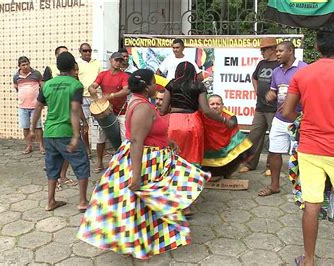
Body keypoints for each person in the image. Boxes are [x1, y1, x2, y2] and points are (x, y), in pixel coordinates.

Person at [77, 69, 209, 259]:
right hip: (146, 161)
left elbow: (151, 130)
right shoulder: (142, 107)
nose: (157, 85)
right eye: (154, 82)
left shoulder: (145, 103)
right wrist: (136, 175)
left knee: (146, 204)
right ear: (147, 86)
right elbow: (137, 141)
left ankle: (147, 240)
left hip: (154, 158)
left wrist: (167, 141)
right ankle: (138, 244)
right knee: (145, 203)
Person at [282, 26, 334, 266]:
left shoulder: (302, 74)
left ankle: (308, 260)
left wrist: (307, 114)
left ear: (317, 47)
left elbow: (288, 112)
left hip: (309, 148)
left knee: (312, 204)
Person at [30, 52, 90, 212]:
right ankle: (83, 201)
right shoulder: (76, 85)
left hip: (50, 132)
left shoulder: (47, 85)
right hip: (67, 132)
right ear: (74, 67)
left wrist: (32, 129)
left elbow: (37, 107)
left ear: (58, 67)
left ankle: (50, 201)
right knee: (81, 163)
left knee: (52, 166)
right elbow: (75, 109)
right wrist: (76, 136)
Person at [160, 61, 233, 166]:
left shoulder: (171, 84)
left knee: (172, 156)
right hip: (193, 123)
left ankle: (173, 179)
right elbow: (206, 111)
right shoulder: (199, 86)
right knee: (192, 156)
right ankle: (191, 179)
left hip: (174, 123)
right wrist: (225, 120)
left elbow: (163, 110)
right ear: (194, 72)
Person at [258, 41, 307, 197]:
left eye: (280, 51)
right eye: (276, 51)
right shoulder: (276, 71)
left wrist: (292, 102)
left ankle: (303, 188)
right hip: (279, 119)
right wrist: (271, 95)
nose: (277, 54)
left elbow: (310, 95)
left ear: (290, 51)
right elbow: (274, 90)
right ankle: (274, 185)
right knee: (274, 152)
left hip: (298, 119)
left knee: (302, 156)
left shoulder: (304, 69)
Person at [239, 37, 280, 176]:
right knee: (254, 136)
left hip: (274, 108)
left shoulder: (280, 65)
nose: (261, 52)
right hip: (260, 107)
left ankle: (271, 166)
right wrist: (257, 90)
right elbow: (254, 77)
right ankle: (250, 164)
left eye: (264, 49)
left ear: (273, 49)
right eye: (261, 49)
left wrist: (275, 93)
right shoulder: (261, 63)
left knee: (274, 137)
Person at [43, 45, 79, 188]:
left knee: (58, 158)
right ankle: (82, 200)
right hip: (61, 123)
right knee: (78, 161)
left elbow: (76, 108)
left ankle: (61, 179)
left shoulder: (74, 80)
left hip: (57, 126)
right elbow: (43, 97)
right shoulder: (50, 71)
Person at [88, 52, 129, 173]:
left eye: (120, 61)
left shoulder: (124, 76)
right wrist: (92, 91)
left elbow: (126, 90)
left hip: (121, 111)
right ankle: (99, 162)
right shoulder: (103, 74)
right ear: (110, 60)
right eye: (116, 60)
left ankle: (123, 163)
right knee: (100, 139)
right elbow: (93, 86)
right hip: (105, 113)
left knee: (125, 139)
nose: (118, 62)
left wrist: (110, 96)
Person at [201, 94, 253, 180]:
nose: (215, 106)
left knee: (243, 143)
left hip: (224, 147)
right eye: (212, 104)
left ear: (222, 106)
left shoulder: (229, 116)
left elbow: (233, 126)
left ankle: (227, 172)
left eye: (218, 104)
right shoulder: (202, 115)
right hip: (207, 148)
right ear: (207, 106)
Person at [12, 56, 44, 155]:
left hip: (35, 106)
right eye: (23, 65)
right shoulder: (16, 77)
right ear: (19, 66)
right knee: (25, 127)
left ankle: (41, 146)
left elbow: (42, 87)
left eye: (27, 64)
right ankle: (28, 146)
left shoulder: (36, 74)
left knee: (38, 127)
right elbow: (17, 88)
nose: (26, 66)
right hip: (22, 106)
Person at [77, 42, 102, 154]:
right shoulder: (76, 63)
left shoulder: (97, 63)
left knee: (100, 124)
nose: (87, 53)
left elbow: (101, 77)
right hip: (83, 97)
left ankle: (100, 149)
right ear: (80, 51)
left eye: (89, 50)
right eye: (85, 51)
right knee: (84, 124)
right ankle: (87, 149)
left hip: (96, 97)